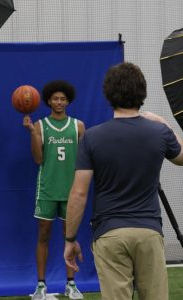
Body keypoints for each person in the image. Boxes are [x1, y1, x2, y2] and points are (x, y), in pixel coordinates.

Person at [63, 62, 183, 300]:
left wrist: (70, 239)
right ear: (142, 93)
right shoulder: (159, 133)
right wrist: (163, 122)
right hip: (149, 231)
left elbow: (78, 194)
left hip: (109, 233)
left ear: (108, 94)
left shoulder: (92, 137)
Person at [23, 80, 85, 300]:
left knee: (70, 237)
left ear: (68, 101)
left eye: (63, 99)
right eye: (55, 98)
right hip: (47, 189)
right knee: (44, 234)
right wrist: (32, 133)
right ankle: (41, 285)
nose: (59, 102)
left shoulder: (78, 125)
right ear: (48, 100)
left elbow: (83, 161)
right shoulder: (40, 125)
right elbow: (39, 159)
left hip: (71, 190)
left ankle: (71, 284)